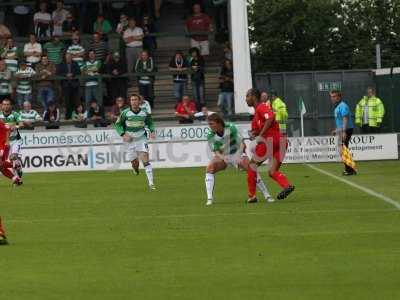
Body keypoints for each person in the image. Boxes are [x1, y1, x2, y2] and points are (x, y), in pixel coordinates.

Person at [204, 113, 273, 206]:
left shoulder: (231, 127)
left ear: (218, 123)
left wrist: (238, 155)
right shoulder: (210, 135)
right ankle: (209, 199)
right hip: (224, 156)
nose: (210, 126)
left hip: (237, 152)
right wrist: (223, 158)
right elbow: (216, 151)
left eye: (211, 124)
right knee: (209, 169)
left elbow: (242, 144)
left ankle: (267, 195)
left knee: (251, 168)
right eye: (209, 124)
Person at [245, 88, 295, 202]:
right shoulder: (256, 116)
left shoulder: (261, 107)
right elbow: (257, 130)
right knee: (272, 171)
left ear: (253, 96)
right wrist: (253, 134)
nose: (245, 99)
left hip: (270, 141)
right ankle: (287, 186)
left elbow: (271, 117)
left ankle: (251, 196)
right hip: (282, 142)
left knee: (251, 165)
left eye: (247, 96)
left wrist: (260, 135)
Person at [114, 94, 156, 189]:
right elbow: (118, 125)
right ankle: (136, 169)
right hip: (130, 140)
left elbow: (150, 123)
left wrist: (152, 131)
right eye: (132, 100)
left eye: (135, 100)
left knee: (145, 159)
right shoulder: (125, 113)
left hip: (141, 138)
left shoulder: (144, 113)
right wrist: (123, 134)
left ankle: (151, 184)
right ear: (130, 102)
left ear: (139, 101)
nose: (134, 101)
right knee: (134, 163)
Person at [330, 90, 357, 176]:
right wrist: (336, 130)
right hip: (342, 130)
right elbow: (340, 121)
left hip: (347, 129)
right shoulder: (338, 106)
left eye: (334, 96)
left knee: (343, 149)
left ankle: (350, 170)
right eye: (331, 96)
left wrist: (344, 131)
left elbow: (345, 119)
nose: (332, 98)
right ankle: (350, 169)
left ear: (339, 97)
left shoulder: (343, 106)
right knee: (343, 149)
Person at [0, 98, 24, 180]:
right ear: (2, 106)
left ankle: (17, 174)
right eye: (4, 104)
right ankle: (17, 174)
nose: (6, 106)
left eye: (8, 104)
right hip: (4, 142)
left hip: (15, 140)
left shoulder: (15, 114)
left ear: (10, 106)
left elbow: (21, 124)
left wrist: (15, 126)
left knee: (12, 157)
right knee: (5, 163)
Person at [57, 53, 81, 119]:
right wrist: (66, 75)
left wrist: (72, 74)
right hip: (66, 85)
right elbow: (58, 72)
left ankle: (77, 116)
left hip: (74, 85)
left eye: (69, 57)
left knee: (76, 101)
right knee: (67, 102)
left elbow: (79, 71)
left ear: (71, 57)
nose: (68, 59)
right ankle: (68, 116)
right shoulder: (62, 64)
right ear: (65, 58)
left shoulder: (75, 63)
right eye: (67, 58)